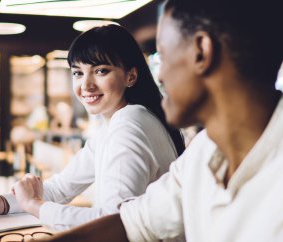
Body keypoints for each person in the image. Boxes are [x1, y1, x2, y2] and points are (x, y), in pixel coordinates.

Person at [23, 0, 283, 241]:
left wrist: (37, 206)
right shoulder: (203, 152)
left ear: (202, 52)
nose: (159, 76)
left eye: (162, 56)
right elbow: (131, 223)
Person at [0, 24, 185, 230]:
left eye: (101, 71)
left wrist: (36, 206)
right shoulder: (113, 124)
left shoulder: (130, 122)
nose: (86, 85)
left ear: (131, 76)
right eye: (78, 73)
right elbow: (60, 188)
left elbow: (113, 222)